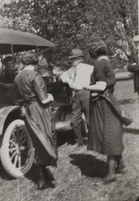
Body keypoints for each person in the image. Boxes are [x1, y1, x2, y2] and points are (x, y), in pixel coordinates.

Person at [85, 43, 133, 183]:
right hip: (109, 99)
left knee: (109, 135)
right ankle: (121, 166)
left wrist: (82, 85)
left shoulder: (99, 64)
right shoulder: (107, 61)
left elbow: (100, 86)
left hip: (104, 102)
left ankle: (111, 174)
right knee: (113, 132)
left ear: (93, 54)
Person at [14, 52, 56, 190]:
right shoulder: (35, 76)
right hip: (39, 110)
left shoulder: (17, 77)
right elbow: (43, 99)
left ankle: (43, 176)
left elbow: (19, 98)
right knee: (45, 139)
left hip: (27, 111)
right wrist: (51, 97)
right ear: (35, 63)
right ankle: (42, 178)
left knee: (37, 141)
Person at [60, 48, 91, 144]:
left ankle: (93, 140)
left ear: (80, 59)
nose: (72, 61)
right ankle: (79, 141)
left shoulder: (89, 68)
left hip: (86, 93)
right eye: (71, 59)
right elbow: (62, 76)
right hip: (76, 95)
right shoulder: (72, 70)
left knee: (90, 118)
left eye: (74, 59)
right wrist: (69, 81)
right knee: (74, 120)